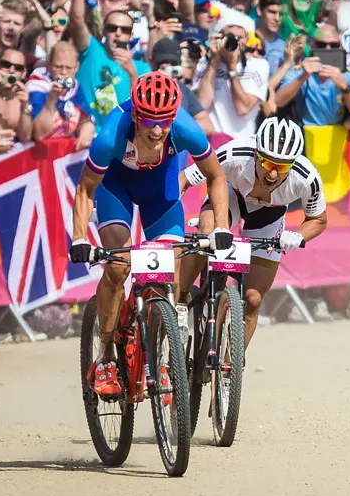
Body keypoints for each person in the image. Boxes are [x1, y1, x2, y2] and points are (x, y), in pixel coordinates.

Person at [68, 72, 232, 399]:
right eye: (149, 122)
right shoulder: (111, 136)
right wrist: (78, 238)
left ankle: (159, 354)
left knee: (165, 275)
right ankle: (106, 357)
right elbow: (86, 189)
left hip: (161, 192)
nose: (157, 130)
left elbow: (216, 177)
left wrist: (223, 227)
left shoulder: (186, 128)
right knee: (118, 267)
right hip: (116, 189)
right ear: (135, 115)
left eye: (164, 122)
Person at [178, 118, 327, 349]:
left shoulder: (306, 178)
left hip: (270, 214)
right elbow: (185, 178)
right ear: (256, 154)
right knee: (207, 233)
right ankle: (180, 300)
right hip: (230, 198)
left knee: (253, 298)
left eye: (282, 167)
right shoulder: (235, 153)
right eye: (268, 164)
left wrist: (298, 235)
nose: (273, 175)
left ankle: (230, 368)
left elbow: (318, 219)